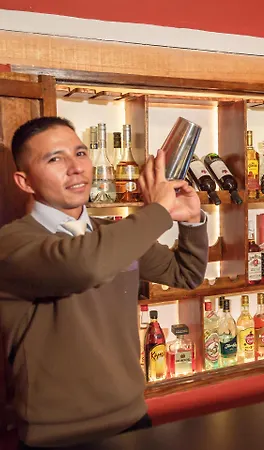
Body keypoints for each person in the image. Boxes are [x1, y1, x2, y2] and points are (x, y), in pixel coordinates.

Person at [0, 117, 209, 448]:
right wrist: (157, 210)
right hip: (58, 436)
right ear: (24, 182)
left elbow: (186, 273)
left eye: (80, 153)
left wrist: (192, 220)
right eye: (55, 159)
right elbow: (85, 266)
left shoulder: (111, 233)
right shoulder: (12, 243)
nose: (76, 168)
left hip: (133, 419)